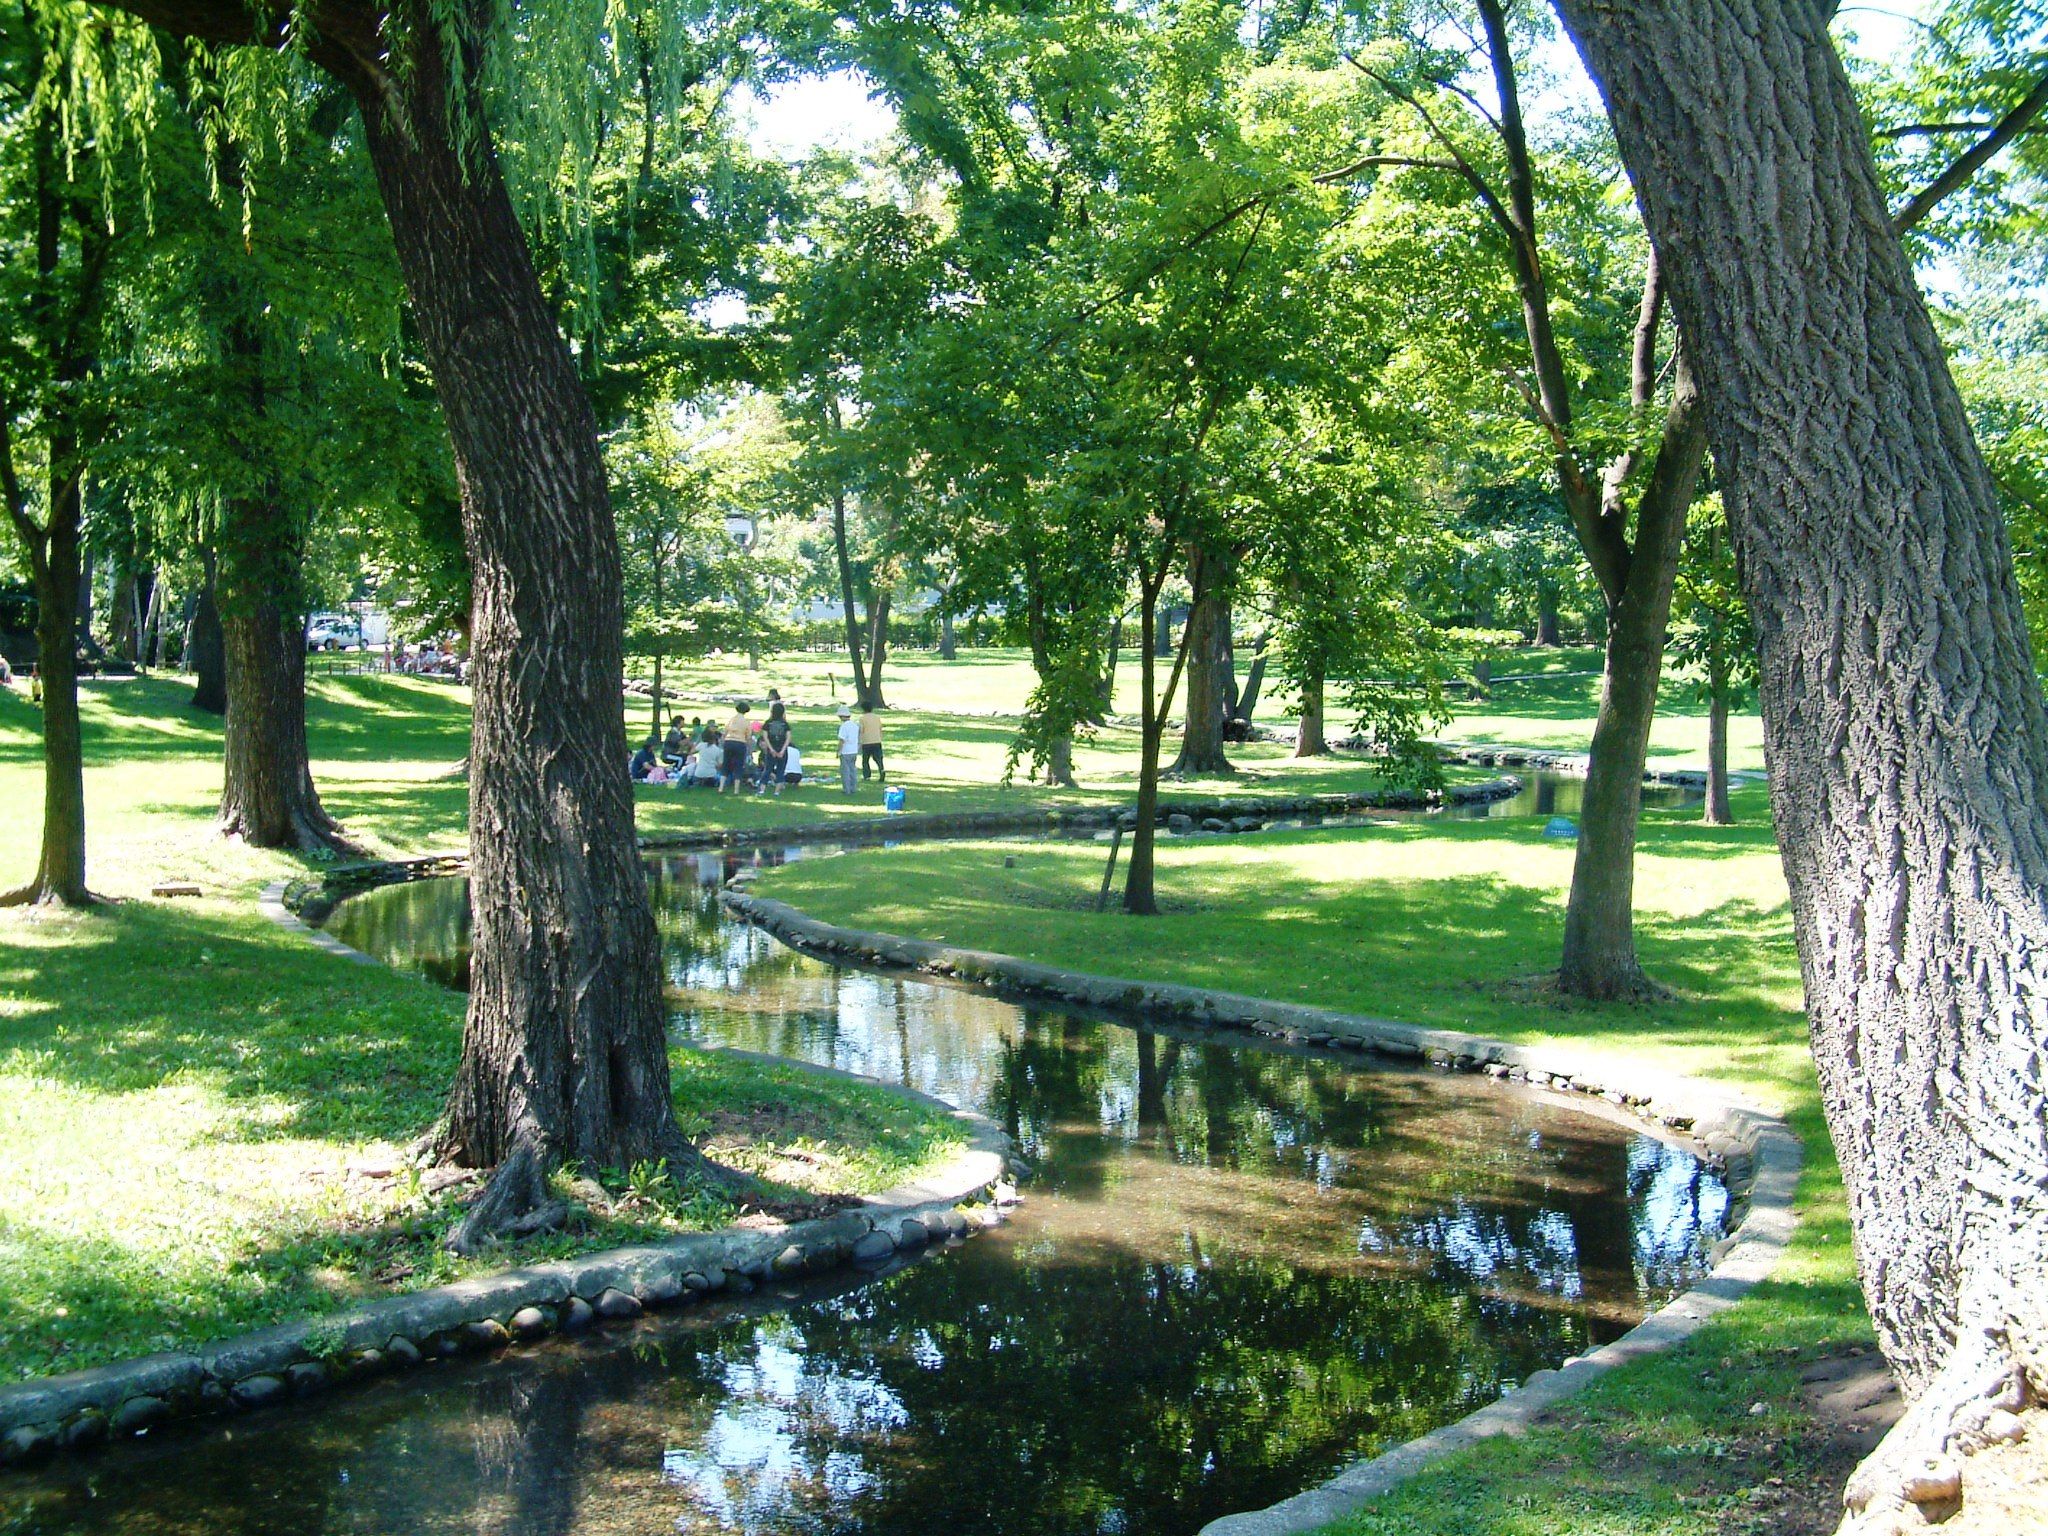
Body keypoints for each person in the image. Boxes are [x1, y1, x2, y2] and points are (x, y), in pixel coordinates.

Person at [759, 701, 792, 796]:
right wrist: (782, 750)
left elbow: (765, 737)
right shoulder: (785, 724)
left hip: (771, 749)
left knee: (767, 769)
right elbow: (788, 738)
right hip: (782, 749)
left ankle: (762, 790)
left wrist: (771, 749)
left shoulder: (768, 723)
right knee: (780, 770)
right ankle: (777, 792)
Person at [720, 702, 751, 792]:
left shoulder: (731, 720)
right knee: (739, 765)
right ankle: (736, 789)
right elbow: (748, 736)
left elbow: (724, 733)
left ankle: (721, 787)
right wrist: (748, 747)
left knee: (726, 764)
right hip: (740, 743)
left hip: (729, 741)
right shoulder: (746, 722)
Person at [836, 705, 860, 795]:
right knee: (852, 770)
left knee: (845, 771)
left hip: (845, 751)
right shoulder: (855, 725)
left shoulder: (843, 726)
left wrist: (839, 751)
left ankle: (847, 789)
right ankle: (853, 788)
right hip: (854, 750)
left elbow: (842, 740)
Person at [859, 704, 885, 781]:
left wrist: (859, 740)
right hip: (877, 740)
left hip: (866, 741)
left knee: (865, 760)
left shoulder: (862, 718)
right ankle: (881, 769)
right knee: (878, 758)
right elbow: (880, 728)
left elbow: (861, 730)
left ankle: (867, 776)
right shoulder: (877, 717)